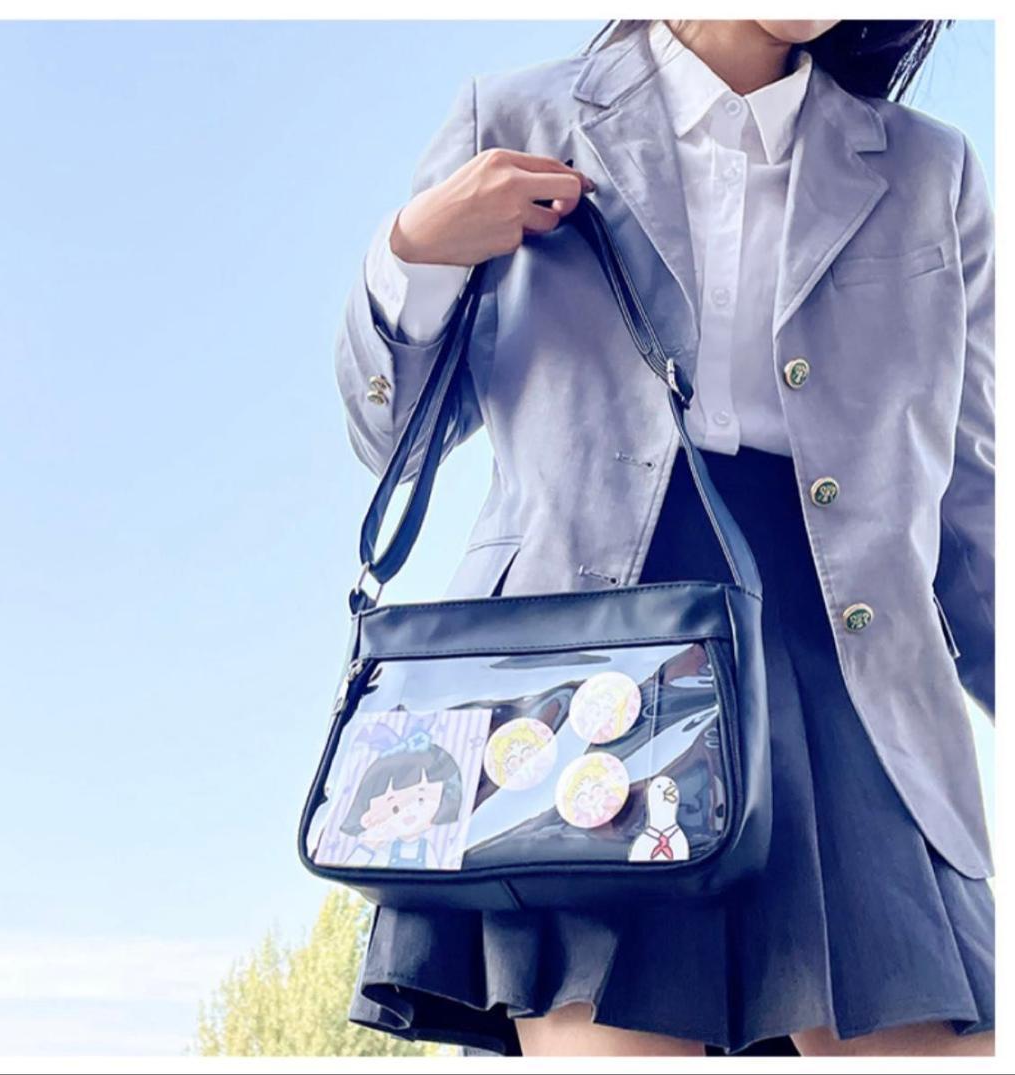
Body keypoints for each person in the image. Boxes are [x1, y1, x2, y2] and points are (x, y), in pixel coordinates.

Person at [330, 19, 995, 1057]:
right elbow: (389, 434)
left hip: (854, 675)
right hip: (578, 668)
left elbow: (973, 505)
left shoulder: (932, 170)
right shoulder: (517, 117)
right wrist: (413, 250)